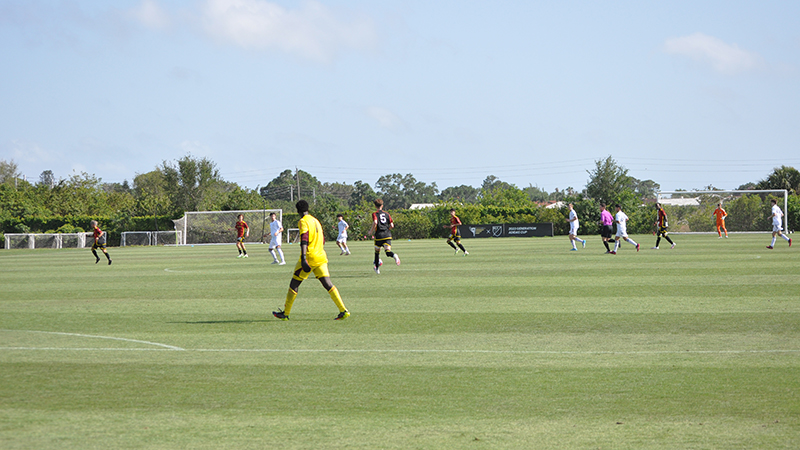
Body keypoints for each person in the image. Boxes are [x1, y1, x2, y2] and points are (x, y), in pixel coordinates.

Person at [273, 200, 349, 320]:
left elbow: (304, 238)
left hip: (309, 257)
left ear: (298, 211)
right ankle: (343, 310)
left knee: (294, 284)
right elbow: (322, 240)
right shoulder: (316, 220)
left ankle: (285, 314)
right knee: (327, 284)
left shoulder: (303, 221)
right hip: (321, 257)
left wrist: (303, 258)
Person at [368, 198, 400, 274]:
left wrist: (370, 231)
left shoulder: (375, 214)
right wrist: (386, 229)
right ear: (382, 205)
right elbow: (392, 225)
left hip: (379, 235)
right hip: (387, 235)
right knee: (387, 251)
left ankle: (377, 269)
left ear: (375, 206)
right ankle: (394, 256)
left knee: (377, 253)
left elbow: (375, 222)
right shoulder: (387, 214)